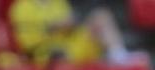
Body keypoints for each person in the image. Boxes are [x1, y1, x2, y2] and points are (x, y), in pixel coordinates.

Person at [9, 0, 140, 66]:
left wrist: (69, 25)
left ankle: (118, 55)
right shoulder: (21, 6)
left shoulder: (58, 2)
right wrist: (52, 28)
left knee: (100, 16)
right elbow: (26, 42)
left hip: (70, 44)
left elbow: (69, 25)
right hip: (47, 54)